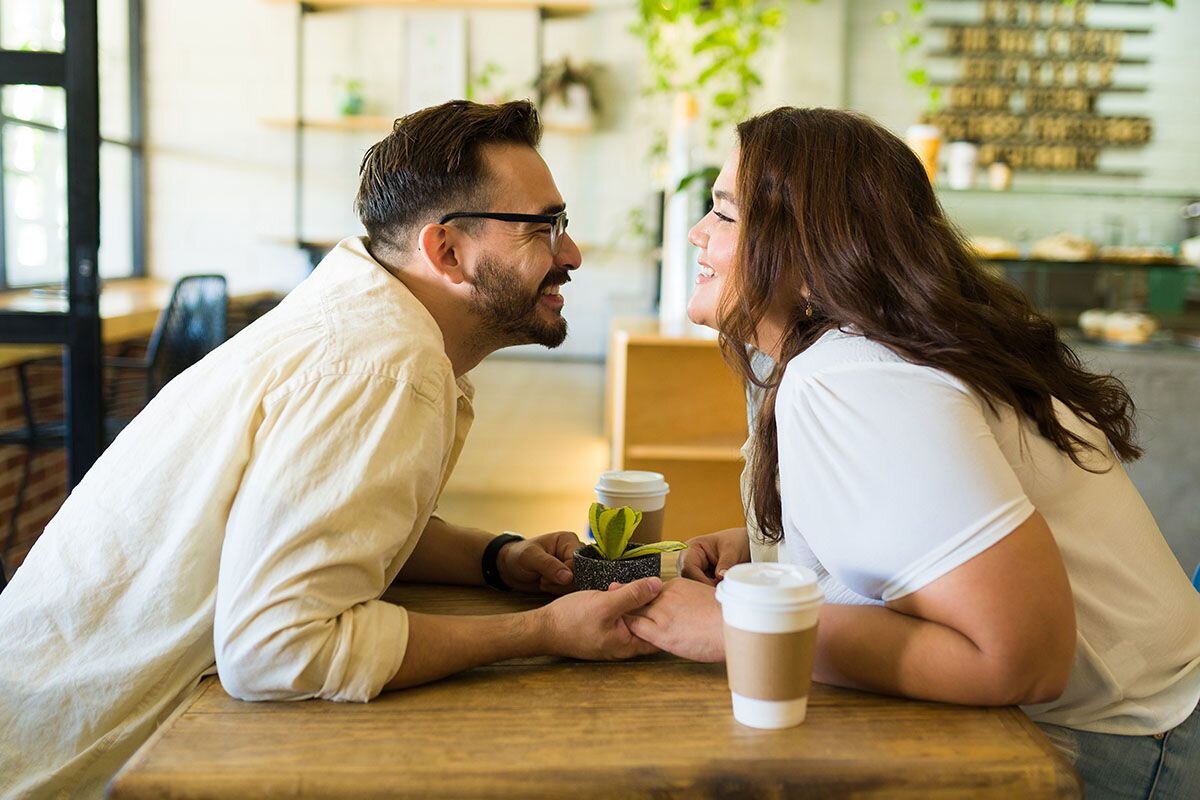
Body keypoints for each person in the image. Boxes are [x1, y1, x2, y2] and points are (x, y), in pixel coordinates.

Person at [0, 100, 661, 799]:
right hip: (67, 767)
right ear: (446, 252)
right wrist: (542, 632)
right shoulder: (383, 365)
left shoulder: (367, 323)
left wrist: (494, 558)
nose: (571, 253)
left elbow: (335, 525)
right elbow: (277, 650)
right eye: (543, 227)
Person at [626, 107, 1200, 799]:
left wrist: (732, 627)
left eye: (724, 214)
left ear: (812, 253)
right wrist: (770, 549)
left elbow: (1018, 660)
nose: (697, 233)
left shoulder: (853, 377)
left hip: (1129, 750)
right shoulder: (848, 352)